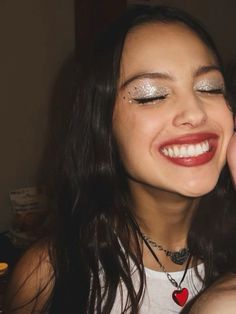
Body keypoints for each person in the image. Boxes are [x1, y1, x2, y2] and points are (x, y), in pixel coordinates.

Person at [4, 5, 236, 313]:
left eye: (210, 87)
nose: (195, 112)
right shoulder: (48, 275)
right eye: (151, 94)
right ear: (102, 126)